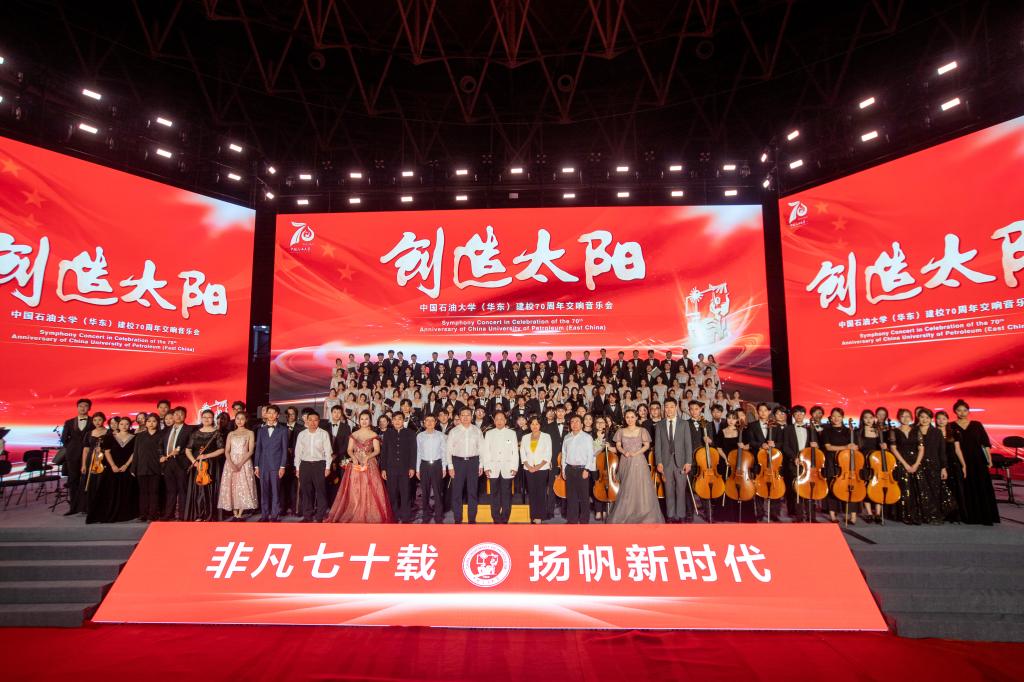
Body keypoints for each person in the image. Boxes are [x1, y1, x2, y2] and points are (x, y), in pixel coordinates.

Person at [326, 410, 394, 523]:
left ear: (370, 421)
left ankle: (370, 513)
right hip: (356, 464)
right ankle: (355, 510)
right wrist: (353, 457)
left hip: (369, 464)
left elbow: (377, 450)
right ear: (359, 421)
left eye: (366, 419)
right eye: (362, 419)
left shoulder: (374, 434)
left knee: (370, 488)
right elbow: (349, 449)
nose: (364, 421)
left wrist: (368, 457)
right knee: (354, 488)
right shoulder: (354, 434)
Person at [949, 399, 999, 525]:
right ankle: (968, 515)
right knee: (965, 487)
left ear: (968, 411)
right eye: (959, 410)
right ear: (955, 411)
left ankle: (985, 515)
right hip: (961, 460)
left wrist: (989, 459)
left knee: (981, 486)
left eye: (965, 410)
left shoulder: (977, 424)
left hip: (978, 460)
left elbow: (985, 443)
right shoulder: (951, 426)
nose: (962, 413)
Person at [609, 408, 664, 524]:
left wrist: (636, 453)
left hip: (639, 460)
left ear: (636, 418)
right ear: (625, 418)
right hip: (625, 460)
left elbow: (647, 445)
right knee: (626, 486)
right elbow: (618, 445)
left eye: (632, 417)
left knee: (640, 487)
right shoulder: (621, 431)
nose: (630, 419)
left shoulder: (642, 430)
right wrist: (624, 452)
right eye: (627, 417)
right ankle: (627, 512)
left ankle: (642, 512)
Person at [87, 416, 138, 524]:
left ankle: (124, 513)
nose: (124, 426)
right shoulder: (110, 437)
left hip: (127, 468)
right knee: (110, 491)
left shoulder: (135, 438)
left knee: (126, 491)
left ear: (130, 425)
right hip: (113, 468)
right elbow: (107, 452)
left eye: (127, 424)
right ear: (118, 425)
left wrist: (126, 465)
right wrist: (113, 465)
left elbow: (134, 453)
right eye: (122, 424)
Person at [183, 410, 225, 521]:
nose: (206, 419)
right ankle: (198, 514)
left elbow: (221, 449)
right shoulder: (195, 433)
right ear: (201, 419)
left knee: (209, 489)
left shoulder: (217, 433)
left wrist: (206, 456)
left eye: (209, 417)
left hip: (212, 465)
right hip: (198, 465)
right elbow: (188, 450)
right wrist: (194, 462)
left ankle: (209, 515)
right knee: (198, 489)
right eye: (204, 417)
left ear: (213, 419)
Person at [655, 399, 693, 523]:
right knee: (668, 490)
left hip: (681, 462)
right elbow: (658, 446)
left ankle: (681, 515)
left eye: (672, 406)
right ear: (664, 408)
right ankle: (670, 515)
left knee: (681, 490)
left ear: (676, 407)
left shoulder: (684, 424)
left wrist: (688, 462)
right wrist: (659, 462)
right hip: (666, 462)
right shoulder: (659, 425)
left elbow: (688, 444)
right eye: (666, 407)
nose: (669, 409)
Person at [446, 408, 485, 524]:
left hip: (473, 462)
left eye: (468, 415)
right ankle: (458, 519)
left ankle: (472, 519)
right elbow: (448, 450)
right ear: (459, 417)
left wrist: (481, 465)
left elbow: (482, 449)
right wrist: (450, 466)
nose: (466, 417)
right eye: (463, 415)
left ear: (471, 416)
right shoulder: (454, 431)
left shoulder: (477, 431)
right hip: (458, 463)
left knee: (472, 492)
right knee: (457, 493)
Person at [294, 413, 332, 522]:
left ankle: (320, 516)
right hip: (305, 465)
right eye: (310, 420)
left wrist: (327, 467)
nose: (312, 422)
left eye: (315, 420)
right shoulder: (302, 434)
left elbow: (328, 452)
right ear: (306, 421)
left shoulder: (324, 434)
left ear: (319, 421)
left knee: (320, 491)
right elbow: (298, 452)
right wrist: (297, 468)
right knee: (306, 492)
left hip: (319, 465)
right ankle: (307, 516)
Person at [219, 411, 257, 521]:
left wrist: (240, 464)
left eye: (242, 418)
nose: (239, 421)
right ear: (235, 420)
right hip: (230, 462)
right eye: (237, 418)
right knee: (232, 485)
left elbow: (250, 451)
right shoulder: (231, 434)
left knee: (243, 485)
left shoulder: (250, 433)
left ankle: (240, 513)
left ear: (246, 420)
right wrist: (231, 463)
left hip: (244, 462)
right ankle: (234, 512)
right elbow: (227, 451)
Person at [482, 411, 519, 524]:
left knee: (506, 495)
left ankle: (505, 518)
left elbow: (515, 452)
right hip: (493, 468)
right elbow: (486, 452)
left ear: (505, 420)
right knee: (494, 495)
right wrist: (486, 467)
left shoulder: (511, 433)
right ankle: (496, 518)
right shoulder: (489, 434)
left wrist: (515, 467)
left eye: (501, 419)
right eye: (497, 419)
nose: (499, 421)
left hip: (507, 468)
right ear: (494, 421)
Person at [381, 412, 417, 523]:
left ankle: (406, 517)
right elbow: (384, 452)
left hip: (405, 469)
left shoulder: (410, 433)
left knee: (406, 493)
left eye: (400, 419)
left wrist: (412, 467)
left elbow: (413, 452)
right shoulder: (387, 433)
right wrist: (383, 469)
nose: (397, 421)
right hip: (390, 469)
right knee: (392, 494)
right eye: (395, 419)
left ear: (403, 420)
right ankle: (394, 517)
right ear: (392, 421)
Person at [254, 405, 289, 521]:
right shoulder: (261, 430)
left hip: (276, 465)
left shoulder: (283, 430)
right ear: (266, 414)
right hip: (263, 465)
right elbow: (258, 449)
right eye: (269, 412)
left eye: (274, 413)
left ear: (277, 415)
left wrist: (282, 466)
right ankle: (264, 515)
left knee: (275, 491)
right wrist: (256, 466)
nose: (271, 415)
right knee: (264, 492)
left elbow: (284, 450)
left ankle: (274, 515)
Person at [560, 415, 595, 523]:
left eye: (577, 421)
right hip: (569, 469)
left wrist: (587, 470)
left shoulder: (587, 437)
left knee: (584, 497)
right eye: (572, 421)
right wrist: (563, 469)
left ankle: (584, 521)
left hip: (582, 470)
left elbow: (591, 455)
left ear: (582, 424)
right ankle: (572, 521)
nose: (574, 424)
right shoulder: (567, 437)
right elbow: (564, 455)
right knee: (571, 497)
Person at [160, 407, 193, 521]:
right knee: (170, 490)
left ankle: (183, 515)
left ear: (185, 416)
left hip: (182, 463)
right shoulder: (166, 430)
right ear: (173, 416)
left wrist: (181, 452)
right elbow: (160, 445)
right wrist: (161, 456)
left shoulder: (189, 429)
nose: (178, 416)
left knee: (182, 489)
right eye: (176, 414)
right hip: (168, 463)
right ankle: (169, 514)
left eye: (181, 414)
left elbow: (191, 445)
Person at [60, 398, 92, 515]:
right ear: (77, 407)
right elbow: (64, 439)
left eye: (86, 406)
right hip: (72, 455)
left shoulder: (94, 421)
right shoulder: (69, 422)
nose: (83, 408)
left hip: (89, 455)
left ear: (89, 408)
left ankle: (86, 507)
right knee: (73, 481)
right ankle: (73, 508)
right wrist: (72, 448)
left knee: (88, 481)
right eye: (81, 406)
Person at [936, 410, 967, 523]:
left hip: (953, 463)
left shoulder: (953, 433)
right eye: (939, 418)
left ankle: (957, 514)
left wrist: (963, 465)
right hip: (939, 464)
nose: (941, 421)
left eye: (944, 419)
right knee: (942, 490)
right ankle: (944, 514)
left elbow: (957, 450)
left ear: (947, 420)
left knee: (956, 489)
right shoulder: (933, 432)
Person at [131, 414, 164, 522]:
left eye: (154, 421)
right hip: (142, 467)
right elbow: (136, 453)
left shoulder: (162, 435)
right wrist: (133, 468)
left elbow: (163, 453)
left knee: (154, 492)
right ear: (145, 423)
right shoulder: (140, 436)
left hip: (156, 468)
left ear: (158, 423)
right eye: (149, 421)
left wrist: (163, 468)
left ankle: (152, 515)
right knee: (143, 492)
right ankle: (143, 514)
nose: (151, 423)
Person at [520, 417, 552, 524]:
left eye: (537, 424)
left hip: (542, 468)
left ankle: (540, 515)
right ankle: (533, 515)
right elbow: (522, 453)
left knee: (541, 492)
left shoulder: (546, 436)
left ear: (540, 425)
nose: (535, 426)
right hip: (528, 468)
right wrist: (528, 466)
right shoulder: (525, 437)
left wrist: (538, 466)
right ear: (529, 425)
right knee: (532, 492)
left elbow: (548, 453)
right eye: (532, 424)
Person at [416, 414, 447, 523]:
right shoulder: (420, 436)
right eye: (427, 420)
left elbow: (443, 452)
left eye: (432, 420)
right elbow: (418, 453)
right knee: (425, 492)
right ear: (424, 422)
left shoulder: (441, 435)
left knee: (438, 492)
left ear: (435, 422)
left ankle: (439, 516)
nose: (429, 423)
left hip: (437, 465)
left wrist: (444, 467)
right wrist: (417, 469)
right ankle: (426, 515)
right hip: (424, 465)